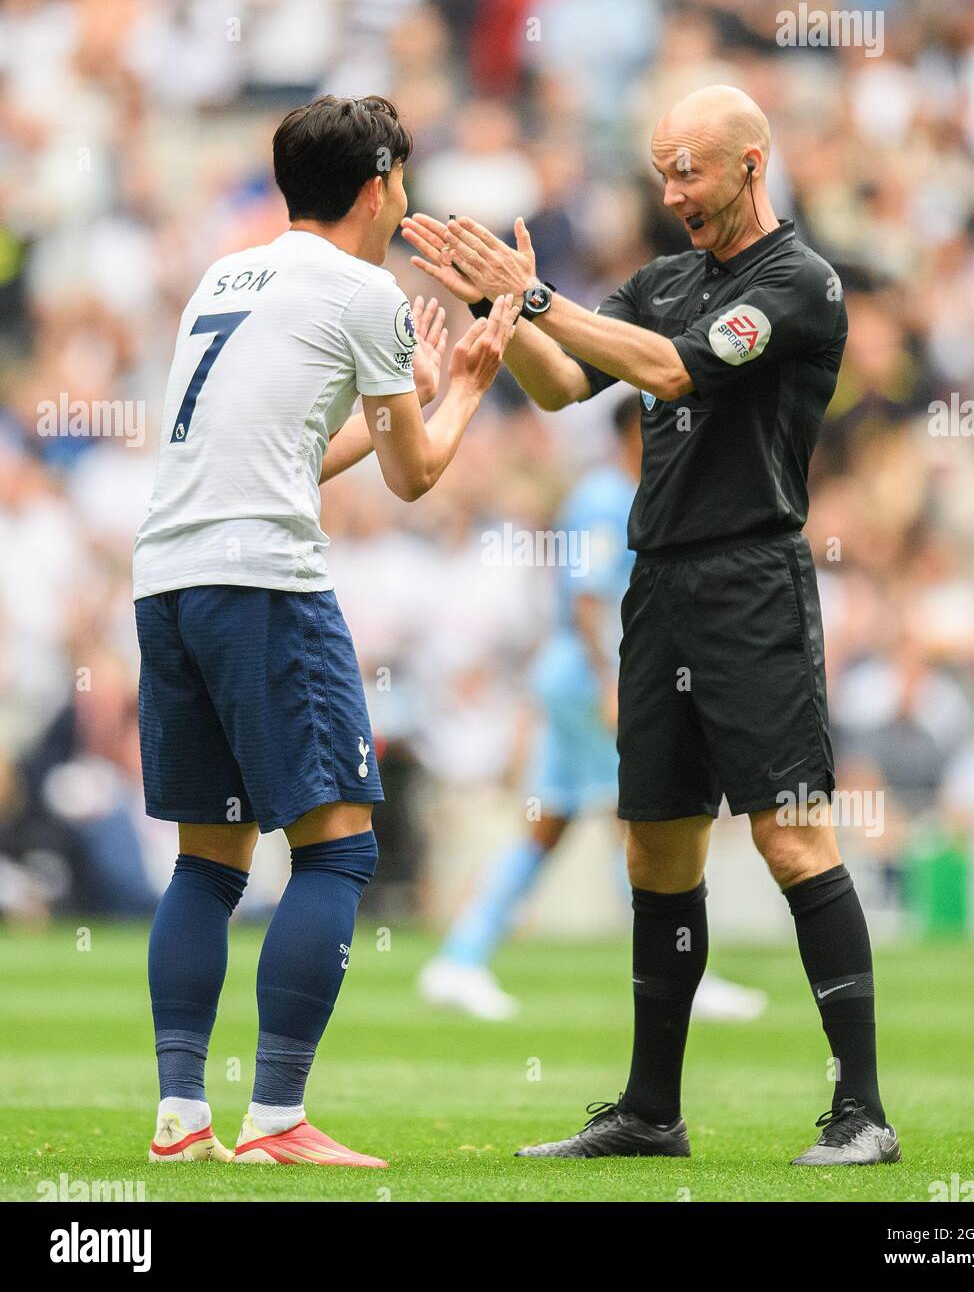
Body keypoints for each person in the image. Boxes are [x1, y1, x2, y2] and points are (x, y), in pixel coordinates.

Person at [402, 84, 899, 1166]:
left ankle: (860, 1111)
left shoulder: (797, 282)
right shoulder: (663, 278)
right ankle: (649, 1111)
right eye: (663, 171)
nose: (673, 191)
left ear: (750, 165)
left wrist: (533, 295)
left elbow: (673, 368)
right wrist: (507, 324)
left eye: (691, 170)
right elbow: (564, 383)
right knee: (658, 850)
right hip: (658, 583)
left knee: (788, 833)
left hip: (752, 582)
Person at [134, 94, 517, 1168]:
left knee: (207, 863)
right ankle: (276, 1118)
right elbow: (415, 475)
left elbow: (285, 452)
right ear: (376, 187)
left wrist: (411, 390)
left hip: (168, 579)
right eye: (402, 180)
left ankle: (180, 1114)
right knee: (339, 850)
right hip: (265, 585)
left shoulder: (225, 273)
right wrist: (468, 388)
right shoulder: (366, 291)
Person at [419, 392, 767, 1023]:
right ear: (636, 430)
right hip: (592, 683)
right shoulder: (607, 500)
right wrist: (612, 685)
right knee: (644, 825)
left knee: (553, 826)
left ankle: (461, 957)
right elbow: (588, 600)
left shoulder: (619, 493)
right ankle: (680, 971)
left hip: (576, 680)